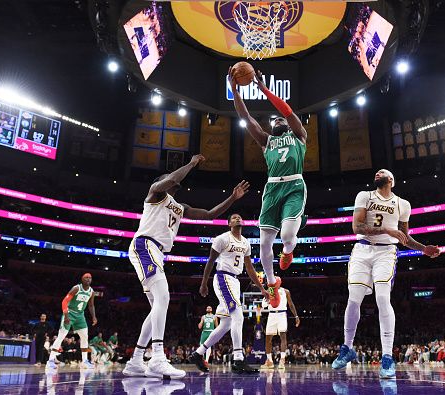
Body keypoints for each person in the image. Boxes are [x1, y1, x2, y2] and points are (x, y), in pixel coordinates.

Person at [122, 154, 250, 379]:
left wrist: (232, 198)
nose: (176, 184)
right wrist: (191, 164)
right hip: (145, 245)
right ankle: (158, 358)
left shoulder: (180, 207)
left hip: (157, 253)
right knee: (164, 298)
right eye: (173, 181)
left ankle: (135, 361)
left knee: (157, 309)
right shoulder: (156, 192)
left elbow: (210, 214)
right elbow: (171, 180)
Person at [332, 169, 441, 379]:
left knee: (382, 298)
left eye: (383, 172)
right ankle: (347, 348)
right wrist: (386, 230)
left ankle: (388, 357)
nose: (378, 173)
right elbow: (357, 227)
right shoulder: (365, 196)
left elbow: (405, 238)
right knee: (353, 299)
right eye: (376, 172)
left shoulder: (403, 204)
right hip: (362, 250)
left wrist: (424, 248)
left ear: (391, 179)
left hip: (386, 252)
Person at [229, 67, 308, 308]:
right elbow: (246, 118)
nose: (278, 120)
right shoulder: (266, 140)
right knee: (263, 244)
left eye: (280, 119)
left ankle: (288, 249)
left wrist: (262, 88)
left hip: (294, 184)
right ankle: (273, 284)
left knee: (286, 236)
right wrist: (234, 90)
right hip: (272, 189)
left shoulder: (299, 135)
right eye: (274, 120)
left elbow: (287, 110)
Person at [190, 213, 269, 373]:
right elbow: (211, 261)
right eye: (233, 218)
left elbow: (249, 268)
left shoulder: (246, 243)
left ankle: (198, 354)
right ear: (229, 224)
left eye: (240, 217)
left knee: (226, 324)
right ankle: (238, 359)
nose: (237, 218)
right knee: (238, 315)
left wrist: (261, 288)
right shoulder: (222, 239)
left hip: (235, 281)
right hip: (223, 277)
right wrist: (204, 283)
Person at [46, 273, 97, 370]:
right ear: (82, 279)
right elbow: (64, 301)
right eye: (86, 277)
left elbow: (91, 305)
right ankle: (50, 360)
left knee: (85, 337)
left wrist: (94, 317)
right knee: (61, 336)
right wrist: (65, 315)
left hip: (80, 315)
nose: (88, 279)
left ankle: (85, 361)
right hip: (70, 313)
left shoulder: (91, 292)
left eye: (90, 278)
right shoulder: (76, 288)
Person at [260, 286, 300, 370]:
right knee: (268, 338)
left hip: (282, 314)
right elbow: (263, 305)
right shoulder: (268, 291)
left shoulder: (286, 291)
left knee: (283, 336)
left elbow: (291, 304)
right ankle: (269, 361)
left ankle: (282, 360)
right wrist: (267, 298)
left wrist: (296, 316)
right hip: (271, 315)